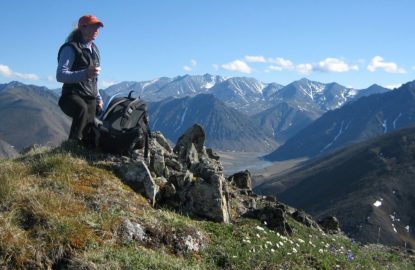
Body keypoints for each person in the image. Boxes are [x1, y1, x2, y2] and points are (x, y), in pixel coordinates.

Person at [56, 14, 104, 146]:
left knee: (90, 131)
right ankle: (70, 148)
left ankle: (84, 152)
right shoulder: (70, 48)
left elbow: (94, 78)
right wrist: (84, 73)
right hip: (71, 95)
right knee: (81, 109)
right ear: (82, 28)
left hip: (90, 96)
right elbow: (60, 75)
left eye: (98, 27)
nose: (96, 30)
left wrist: (98, 98)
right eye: (93, 27)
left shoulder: (94, 50)